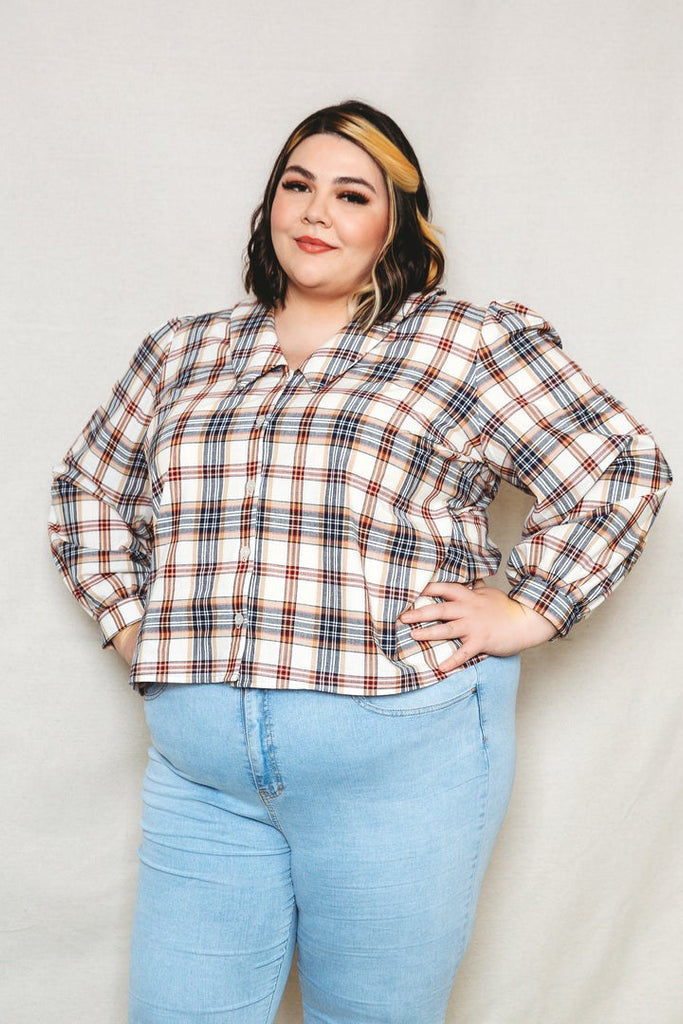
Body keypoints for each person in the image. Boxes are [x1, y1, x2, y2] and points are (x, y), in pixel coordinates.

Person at [48, 98, 672, 1024]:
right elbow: (87, 489)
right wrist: (135, 627)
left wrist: (528, 609)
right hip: (203, 775)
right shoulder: (184, 352)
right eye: (296, 186)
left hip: (400, 767)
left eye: (351, 194)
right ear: (268, 209)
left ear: (395, 227)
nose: (315, 213)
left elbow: (620, 465)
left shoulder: (462, 342)